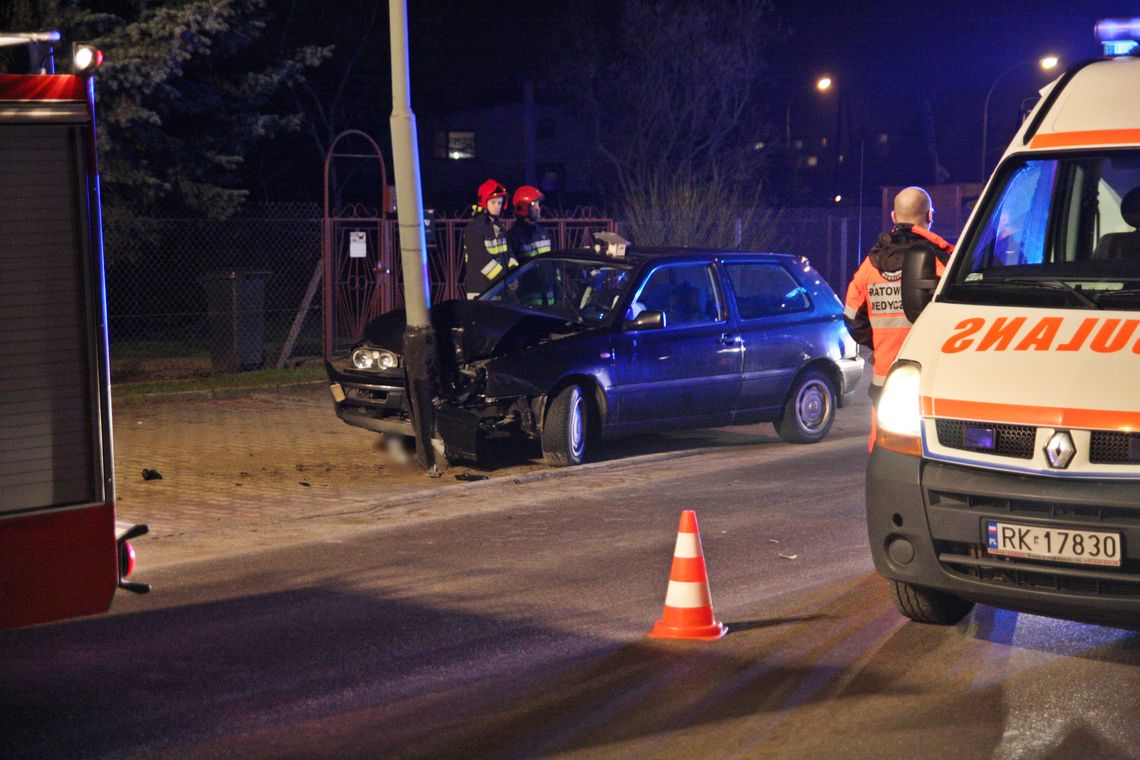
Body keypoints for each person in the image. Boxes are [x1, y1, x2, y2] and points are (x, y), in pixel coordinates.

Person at [844, 186, 953, 406]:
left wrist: (881, 345)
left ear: (894, 216)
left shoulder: (869, 264)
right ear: (929, 215)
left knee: (880, 440)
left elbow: (851, 318)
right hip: (931, 382)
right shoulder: (943, 261)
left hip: (884, 382)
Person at [463, 179, 516, 298]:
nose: (497, 206)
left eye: (500, 203)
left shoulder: (499, 228)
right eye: (493, 202)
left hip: (498, 289)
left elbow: (509, 254)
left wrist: (514, 275)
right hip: (481, 292)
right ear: (484, 202)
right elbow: (482, 260)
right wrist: (505, 278)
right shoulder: (474, 229)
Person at [505, 185, 553, 262]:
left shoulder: (544, 232)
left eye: (538, 204)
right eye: (534, 204)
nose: (538, 208)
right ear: (523, 208)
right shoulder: (513, 237)